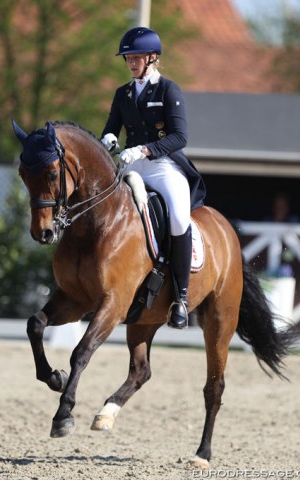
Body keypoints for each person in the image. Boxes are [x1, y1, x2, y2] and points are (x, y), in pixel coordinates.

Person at [101, 27, 206, 329]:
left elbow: (179, 137)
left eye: (136, 58)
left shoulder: (167, 90)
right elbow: (111, 126)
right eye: (128, 58)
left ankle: (181, 298)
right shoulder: (123, 94)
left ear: (152, 58)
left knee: (177, 218)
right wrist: (108, 138)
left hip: (162, 166)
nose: (131, 63)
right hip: (131, 167)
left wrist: (144, 150)